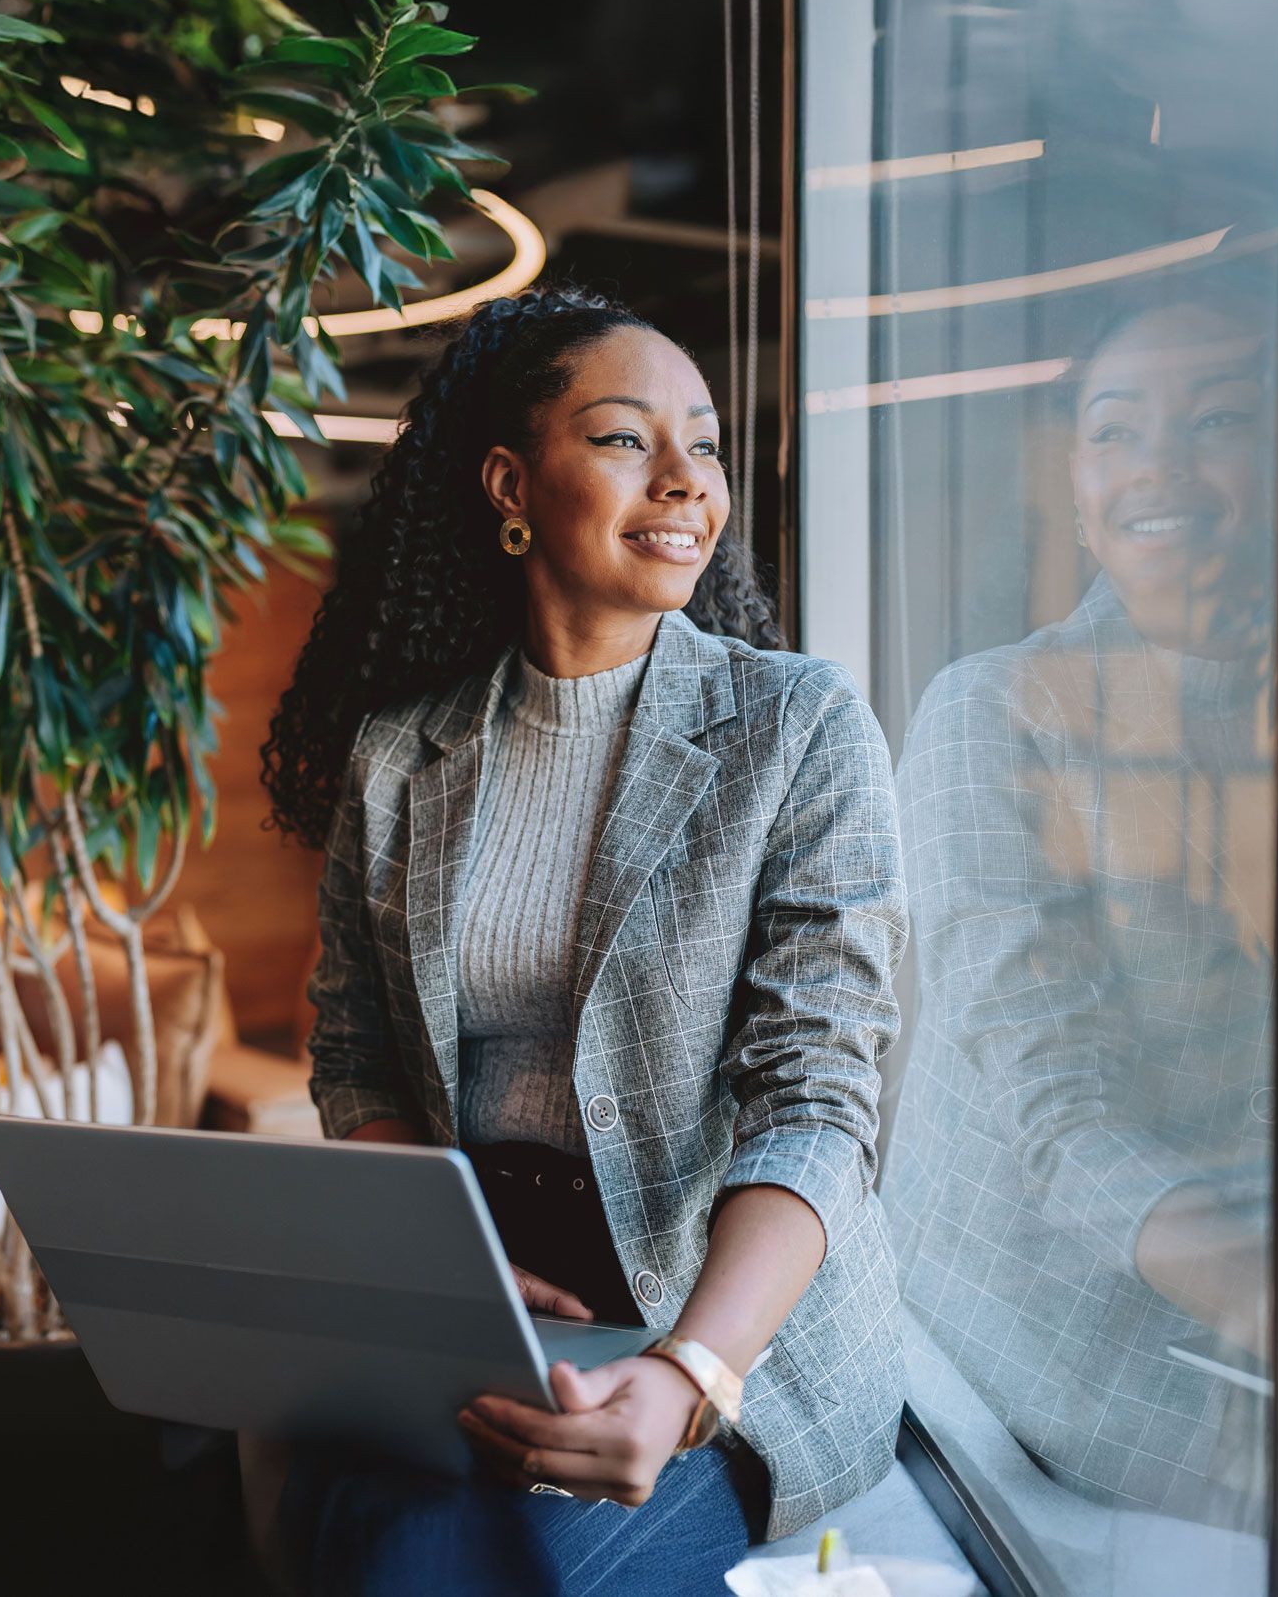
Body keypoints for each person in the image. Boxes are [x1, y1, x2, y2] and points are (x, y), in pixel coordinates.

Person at [257, 286, 910, 1594]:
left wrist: (686, 1376)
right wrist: (453, 1266)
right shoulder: (402, 752)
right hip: (478, 1297)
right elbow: (359, 1061)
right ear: (511, 482)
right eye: (625, 439)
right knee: (319, 1510)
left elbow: (818, 1104)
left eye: (706, 443)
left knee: (421, 1566)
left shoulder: (797, 728)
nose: (685, 479)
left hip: (718, 1316)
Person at [884, 281, 1276, 1537]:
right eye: (1114, 431)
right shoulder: (991, 711)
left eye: (1216, 422)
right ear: (1075, 496)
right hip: (1041, 1356)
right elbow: (1061, 1122)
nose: (1158, 466)